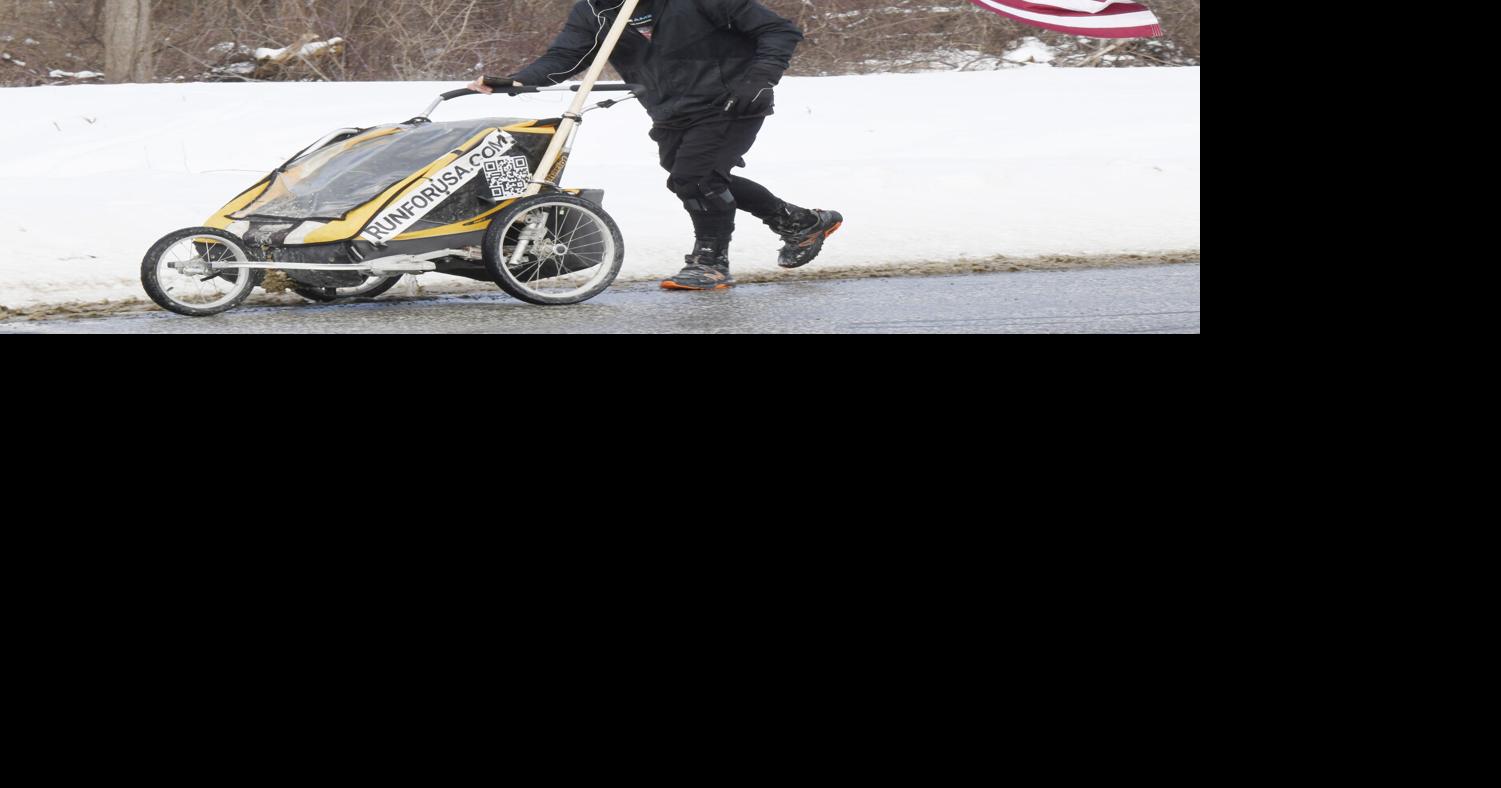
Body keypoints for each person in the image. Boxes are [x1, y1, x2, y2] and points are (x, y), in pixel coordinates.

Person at [468, 0, 843, 290]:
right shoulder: (595, 10)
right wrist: (518, 81)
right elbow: (566, 57)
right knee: (697, 180)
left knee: (696, 179)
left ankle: (710, 264)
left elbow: (779, 31)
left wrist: (760, 78)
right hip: (671, 110)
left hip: (733, 100)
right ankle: (800, 222)